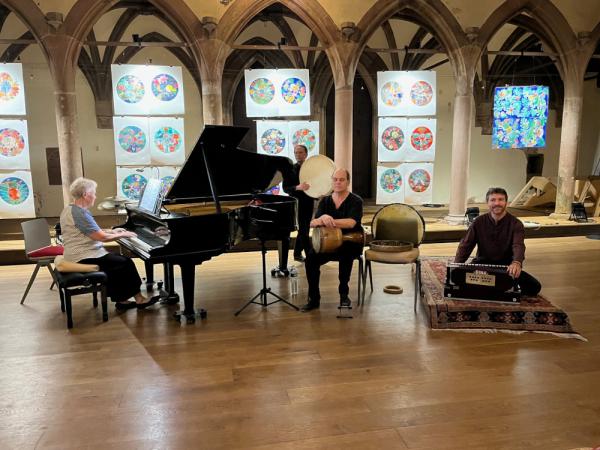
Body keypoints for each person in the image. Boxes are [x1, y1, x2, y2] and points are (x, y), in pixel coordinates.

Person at [59, 177, 158, 310]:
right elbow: (102, 238)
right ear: (85, 195)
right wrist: (123, 234)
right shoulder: (80, 213)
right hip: (83, 257)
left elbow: (90, 231)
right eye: (94, 193)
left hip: (76, 254)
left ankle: (122, 300)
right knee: (125, 262)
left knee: (116, 260)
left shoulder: (70, 209)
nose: (95, 196)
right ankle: (140, 299)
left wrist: (112, 231)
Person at [454, 187, 541, 296]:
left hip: (506, 269)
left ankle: (488, 288)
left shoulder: (516, 224)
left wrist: (516, 262)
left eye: (500, 199)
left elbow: (518, 245)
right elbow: (466, 245)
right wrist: (456, 266)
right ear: (487, 203)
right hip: (481, 266)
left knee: (534, 287)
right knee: (457, 277)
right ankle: (500, 289)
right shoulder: (478, 222)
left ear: (506, 203)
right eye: (493, 200)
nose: (497, 203)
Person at [301, 168, 363, 312]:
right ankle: (314, 299)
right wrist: (322, 218)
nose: (338, 182)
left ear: (348, 182)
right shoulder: (325, 200)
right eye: (335, 179)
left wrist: (330, 221)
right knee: (310, 258)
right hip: (327, 243)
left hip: (350, 241)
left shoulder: (356, 201)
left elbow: (351, 223)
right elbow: (313, 222)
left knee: (346, 254)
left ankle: (344, 294)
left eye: (342, 179)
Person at [283, 144, 315, 262]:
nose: (298, 155)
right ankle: (310, 255)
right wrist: (298, 187)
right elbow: (286, 188)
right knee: (303, 230)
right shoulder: (290, 169)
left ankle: (297, 254)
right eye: (296, 152)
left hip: (309, 202)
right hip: (296, 203)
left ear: (306, 154)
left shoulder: (311, 169)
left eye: (300, 152)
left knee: (304, 229)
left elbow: (315, 183)